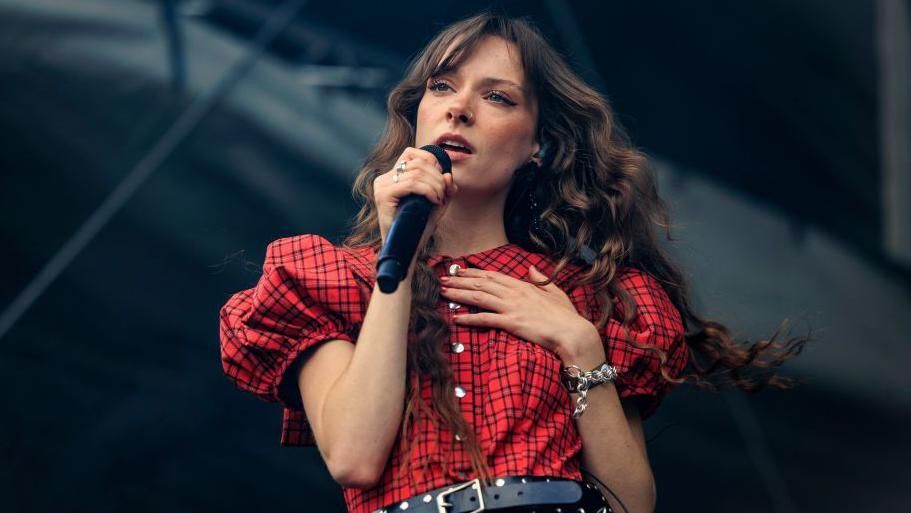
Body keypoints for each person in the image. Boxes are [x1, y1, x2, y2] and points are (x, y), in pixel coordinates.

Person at [219, 12, 807, 513]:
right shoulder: (329, 281)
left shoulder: (587, 298)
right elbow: (353, 455)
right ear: (418, 115)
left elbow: (630, 504)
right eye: (442, 87)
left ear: (537, 146)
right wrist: (403, 249)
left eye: (497, 96)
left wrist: (580, 348)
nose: (460, 110)